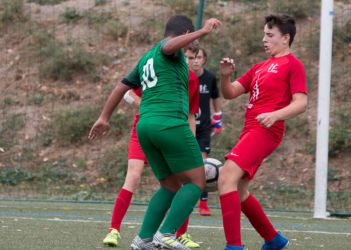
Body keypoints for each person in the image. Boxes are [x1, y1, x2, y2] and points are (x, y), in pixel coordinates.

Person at [89, 15, 221, 250]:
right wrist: (202, 31)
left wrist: (104, 117)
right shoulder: (169, 48)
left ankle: (144, 239)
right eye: (188, 36)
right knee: (196, 181)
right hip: (169, 124)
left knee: (170, 185)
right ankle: (166, 233)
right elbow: (170, 45)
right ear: (185, 33)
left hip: (145, 128)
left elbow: (122, 85)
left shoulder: (146, 57)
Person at [218, 14, 308, 250]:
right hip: (250, 130)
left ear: (285, 38)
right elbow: (230, 92)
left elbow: (301, 103)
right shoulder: (259, 67)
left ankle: (234, 246)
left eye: (270, 35)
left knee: (226, 177)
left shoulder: (293, 65)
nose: (264, 39)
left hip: (267, 131)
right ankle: (274, 240)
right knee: (238, 188)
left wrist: (276, 115)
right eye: (264, 34)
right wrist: (225, 76)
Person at [100, 44, 201, 248]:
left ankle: (156, 236)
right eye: (187, 56)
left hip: (164, 130)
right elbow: (128, 92)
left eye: (194, 57)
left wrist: (191, 142)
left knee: (174, 183)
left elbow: (190, 114)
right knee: (137, 175)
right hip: (155, 125)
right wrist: (145, 105)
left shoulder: (191, 78)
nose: (190, 61)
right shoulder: (162, 63)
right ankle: (117, 229)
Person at [186, 46, 222, 216]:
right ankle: (180, 199)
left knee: (203, 166)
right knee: (182, 165)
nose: (195, 61)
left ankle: (203, 203)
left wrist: (218, 116)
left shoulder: (209, 78)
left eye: (199, 57)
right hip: (186, 126)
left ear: (204, 60)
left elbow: (215, 96)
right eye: (193, 58)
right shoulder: (184, 77)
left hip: (203, 128)